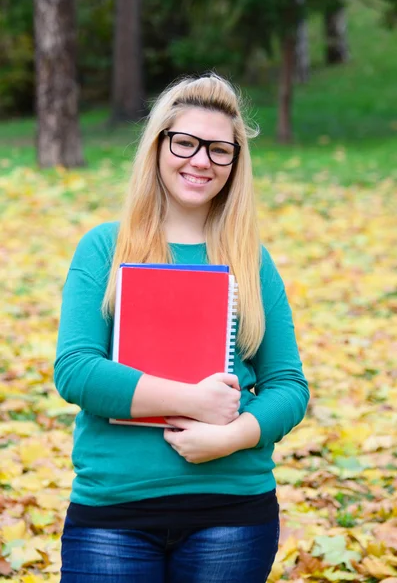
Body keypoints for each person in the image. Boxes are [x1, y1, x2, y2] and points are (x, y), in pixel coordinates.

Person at [55, 73, 309, 583]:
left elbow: (288, 385)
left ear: (236, 164)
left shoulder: (250, 261)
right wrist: (193, 402)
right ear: (157, 147)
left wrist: (233, 436)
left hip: (233, 513)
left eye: (220, 150)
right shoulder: (105, 247)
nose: (201, 161)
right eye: (186, 143)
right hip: (114, 512)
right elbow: (76, 371)